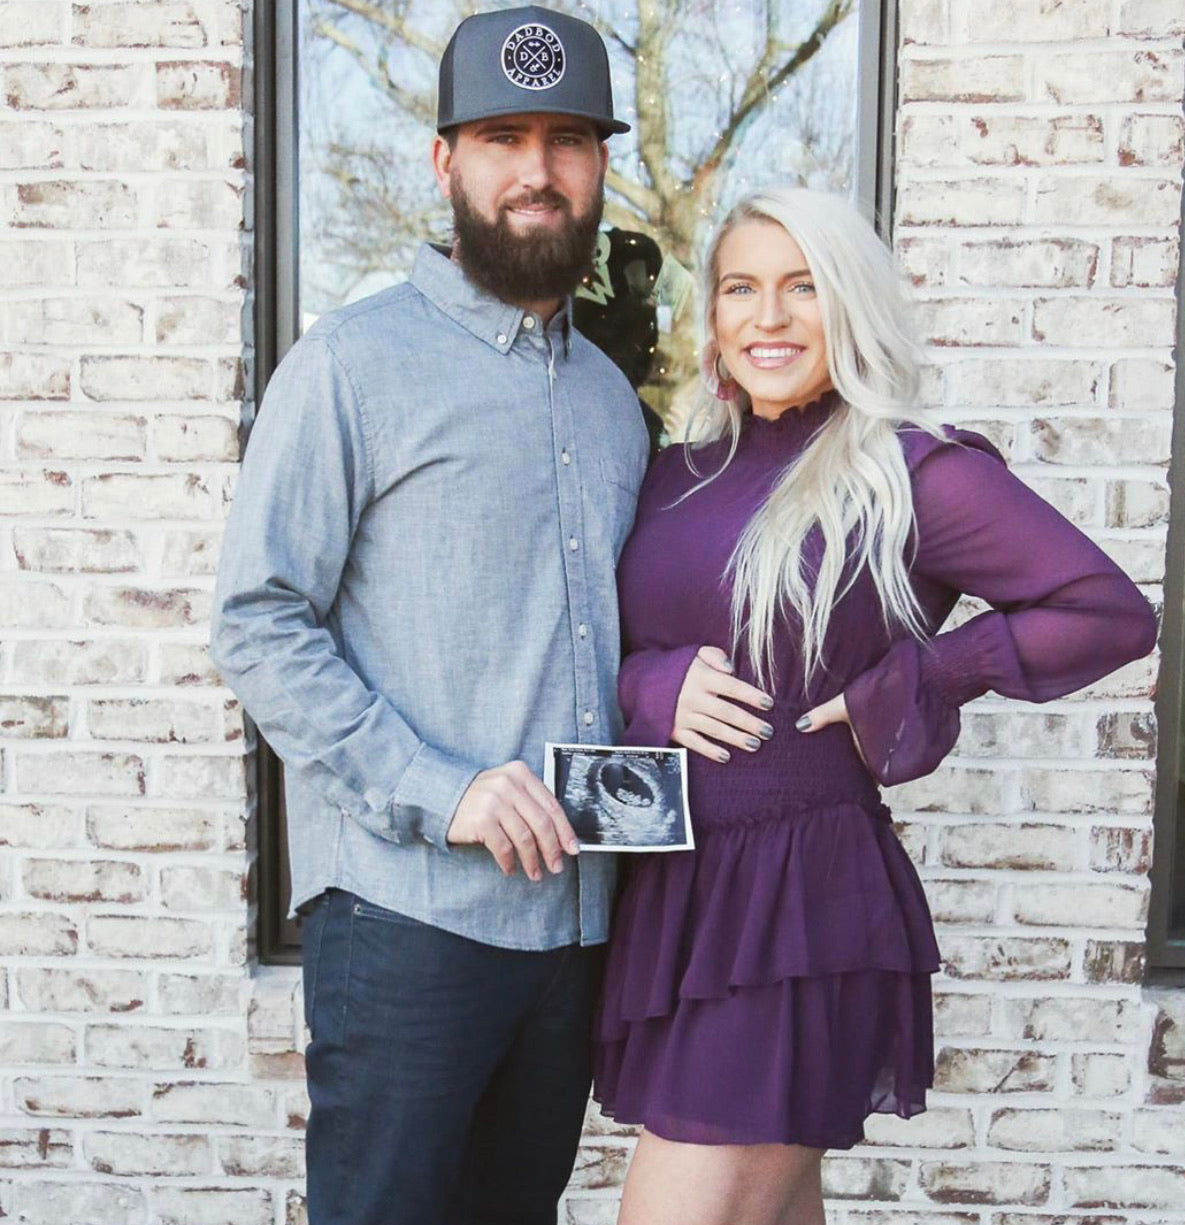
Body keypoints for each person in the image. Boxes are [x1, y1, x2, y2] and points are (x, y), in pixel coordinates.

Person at [591, 188, 1159, 1225]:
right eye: (741, 289)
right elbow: (614, 647)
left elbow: (1106, 610)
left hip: (801, 899)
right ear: (712, 317)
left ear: (848, 305)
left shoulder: (906, 471)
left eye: (802, 288)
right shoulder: (672, 473)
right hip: (678, 889)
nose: (769, 317)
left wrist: (919, 678)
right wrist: (650, 684)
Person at [210, 8, 646, 1224]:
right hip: (408, 922)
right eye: (503, 136)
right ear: (445, 160)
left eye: (568, 139)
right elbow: (257, 619)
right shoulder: (352, 364)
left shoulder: (615, 403)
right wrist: (441, 785)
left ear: (600, 166)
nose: (537, 171)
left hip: (570, 933)